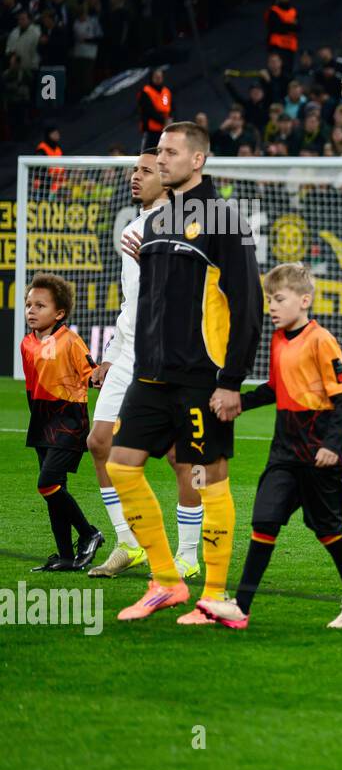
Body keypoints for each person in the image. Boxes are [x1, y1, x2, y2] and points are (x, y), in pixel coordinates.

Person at [108, 121, 263, 621]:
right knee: (119, 464)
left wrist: (231, 380)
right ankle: (165, 580)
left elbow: (248, 303)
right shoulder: (154, 223)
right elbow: (151, 304)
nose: (161, 160)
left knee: (206, 476)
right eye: (158, 152)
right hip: (151, 377)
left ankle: (216, 596)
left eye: (171, 152)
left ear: (198, 160)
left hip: (202, 377)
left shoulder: (223, 217)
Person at [197, 264, 342, 628]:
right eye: (269, 300)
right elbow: (275, 389)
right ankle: (241, 608)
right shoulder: (277, 339)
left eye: (279, 299)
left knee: (328, 530)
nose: (272, 307)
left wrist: (332, 445)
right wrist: (239, 403)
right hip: (285, 449)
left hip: (319, 452)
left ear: (304, 300)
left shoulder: (322, 340)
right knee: (264, 520)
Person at [87, 150, 205, 580]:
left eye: (146, 171)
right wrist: (113, 356)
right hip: (130, 354)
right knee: (99, 442)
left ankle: (189, 554)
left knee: (179, 456)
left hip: (170, 356)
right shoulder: (132, 229)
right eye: (134, 171)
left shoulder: (186, 225)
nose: (135, 177)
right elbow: (130, 304)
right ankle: (129, 542)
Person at [23, 273, 103, 572]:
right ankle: (66, 556)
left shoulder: (70, 340)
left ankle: (89, 533)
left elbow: (92, 374)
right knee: (55, 489)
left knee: (47, 484)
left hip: (69, 422)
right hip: (41, 422)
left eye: (40, 306)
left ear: (59, 313)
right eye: (29, 304)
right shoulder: (26, 344)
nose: (32, 310)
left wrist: (100, 378)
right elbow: (32, 388)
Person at [136, 68, 171, 149]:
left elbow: (172, 108)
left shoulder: (166, 91)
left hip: (165, 130)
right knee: (149, 152)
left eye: (160, 77)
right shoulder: (145, 91)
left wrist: (170, 120)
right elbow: (149, 111)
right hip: (151, 131)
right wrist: (164, 120)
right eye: (156, 77)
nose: (158, 79)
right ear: (152, 78)